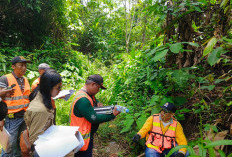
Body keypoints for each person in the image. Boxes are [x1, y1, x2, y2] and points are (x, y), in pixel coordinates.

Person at [69, 74, 120, 157]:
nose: (98, 90)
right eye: (98, 88)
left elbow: (94, 100)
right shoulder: (83, 100)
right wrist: (112, 115)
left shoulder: (88, 94)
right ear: (93, 84)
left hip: (86, 136)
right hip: (82, 139)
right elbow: (94, 118)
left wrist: (97, 103)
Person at [24, 69, 62, 156]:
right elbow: (35, 139)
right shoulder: (41, 110)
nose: (60, 90)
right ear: (48, 87)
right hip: (42, 150)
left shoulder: (42, 96)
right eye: (58, 88)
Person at [0, 56, 31, 157]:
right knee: (9, 146)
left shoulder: (25, 79)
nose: (24, 68)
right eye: (21, 65)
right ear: (13, 66)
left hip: (24, 117)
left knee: (21, 145)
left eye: (25, 65)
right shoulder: (5, 79)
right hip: (12, 119)